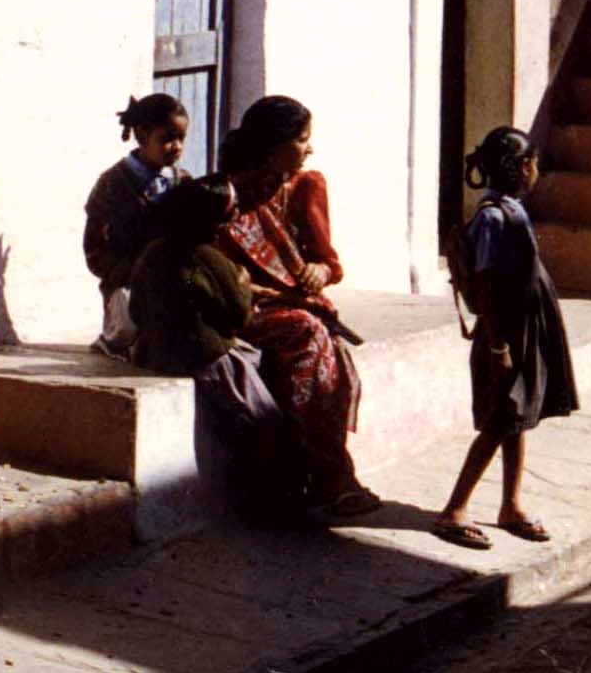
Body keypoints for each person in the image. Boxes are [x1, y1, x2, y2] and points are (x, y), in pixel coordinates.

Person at [216, 98, 380, 518]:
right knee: (307, 333)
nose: (310, 150)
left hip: (299, 302)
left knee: (320, 338)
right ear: (274, 147)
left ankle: (319, 474)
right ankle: (331, 477)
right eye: (303, 140)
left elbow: (331, 263)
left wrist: (317, 273)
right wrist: (276, 295)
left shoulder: (306, 187)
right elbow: (220, 273)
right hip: (247, 307)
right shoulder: (230, 195)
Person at [433, 127, 579, 550]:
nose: (536, 170)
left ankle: (510, 505)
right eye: (531, 163)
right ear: (520, 168)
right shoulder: (494, 218)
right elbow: (486, 286)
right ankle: (454, 510)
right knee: (501, 420)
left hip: (523, 332)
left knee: (517, 419)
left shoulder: (511, 210)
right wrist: (498, 347)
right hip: (506, 336)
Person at [129, 178, 306, 514]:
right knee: (266, 422)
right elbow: (239, 316)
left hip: (156, 355)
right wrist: (241, 281)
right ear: (212, 219)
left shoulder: (152, 252)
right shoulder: (208, 258)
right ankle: (272, 503)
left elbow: (136, 310)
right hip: (207, 357)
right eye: (230, 210)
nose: (236, 215)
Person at [83, 93, 190, 357]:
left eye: (181, 139)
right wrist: (129, 272)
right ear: (142, 136)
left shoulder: (184, 183)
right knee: (130, 326)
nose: (176, 146)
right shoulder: (112, 185)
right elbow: (94, 250)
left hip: (173, 279)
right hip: (128, 283)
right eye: (167, 139)